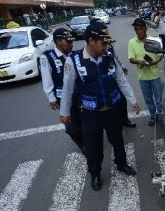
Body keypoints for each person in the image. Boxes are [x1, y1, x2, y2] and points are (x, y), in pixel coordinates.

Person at [59, 22, 140, 191]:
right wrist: (64, 112)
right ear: (90, 41)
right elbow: (67, 89)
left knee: (117, 140)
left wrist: (132, 100)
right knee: (93, 147)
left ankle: (121, 164)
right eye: (103, 43)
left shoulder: (109, 56)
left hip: (112, 110)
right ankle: (95, 174)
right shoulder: (73, 61)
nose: (106, 46)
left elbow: (121, 79)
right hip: (90, 114)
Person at [40, 28, 84, 151]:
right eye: (68, 42)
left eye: (72, 42)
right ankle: (82, 144)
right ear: (58, 41)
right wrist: (51, 98)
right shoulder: (48, 57)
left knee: (84, 121)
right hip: (63, 97)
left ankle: (88, 142)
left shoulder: (73, 55)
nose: (71, 44)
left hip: (79, 95)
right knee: (71, 128)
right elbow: (47, 78)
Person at [90, 18, 136, 128]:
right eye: (101, 27)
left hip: (113, 73)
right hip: (102, 78)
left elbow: (114, 56)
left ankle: (124, 119)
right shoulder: (92, 45)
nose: (105, 29)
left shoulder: (108, 42)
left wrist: (121, 66)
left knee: (122, 99)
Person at [128, 18, 163, 126]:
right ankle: (153, 116)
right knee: (148, 100)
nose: (138, 31)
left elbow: (161, 56)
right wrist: (140, 61)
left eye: (140, 29)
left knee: (159, 99)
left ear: (145, 29)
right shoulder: (132, 42)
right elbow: (131, 59)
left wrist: (153, 63)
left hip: (155, 75)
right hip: (142, 77)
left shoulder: (154, 40)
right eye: (136, 29)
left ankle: (161, 117)